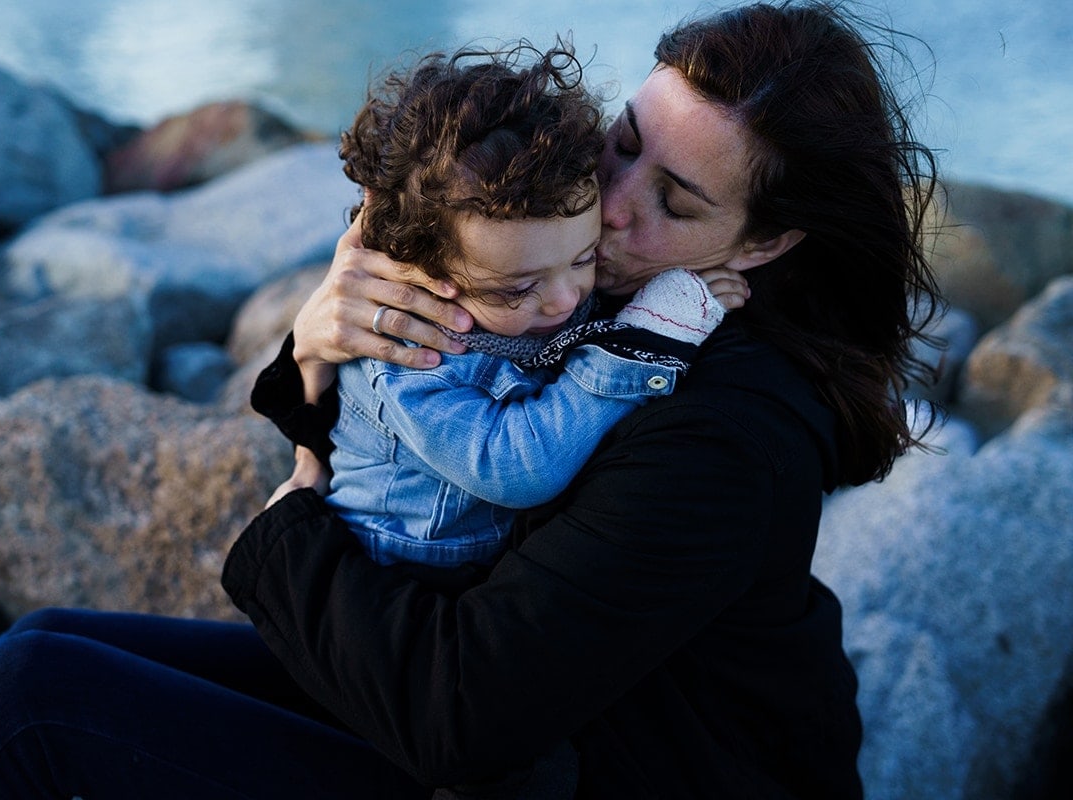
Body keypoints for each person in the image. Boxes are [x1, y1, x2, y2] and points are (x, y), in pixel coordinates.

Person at [0, 3, 941, 798]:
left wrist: (289, 531)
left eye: (675, 198)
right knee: (42, 644)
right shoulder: (586, 276)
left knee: (41, 709)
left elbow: (462, 715)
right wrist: (326, 332)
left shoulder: (729, 426)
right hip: (495, 706)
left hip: (597, 766)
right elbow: (381, 410)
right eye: (623, 144)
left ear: (765, 242)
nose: (608, 207)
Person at [256, 42, 734, 569]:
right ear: (424, 272)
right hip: (397, 570)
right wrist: (638, 341)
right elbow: (519, 469)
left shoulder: (531, 263)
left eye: (584, 258)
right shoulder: (412, 359)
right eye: (515, 290)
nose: (565, 299)